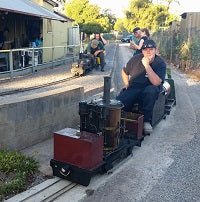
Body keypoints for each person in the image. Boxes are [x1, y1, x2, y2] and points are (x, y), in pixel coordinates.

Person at [116, 39, 166, 134]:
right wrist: (127, 84)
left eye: (151, 49)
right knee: (119, 101)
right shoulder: (136, 58)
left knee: (151, 91)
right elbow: (124, 71)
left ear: (155, 50)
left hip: (149, 89)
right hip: (134, 88)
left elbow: (156, 82)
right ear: (142, 51)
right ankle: (120, 121)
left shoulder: (160, 63)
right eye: (145, 49)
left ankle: (146, 121)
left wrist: (147, 65)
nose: (148, 52)